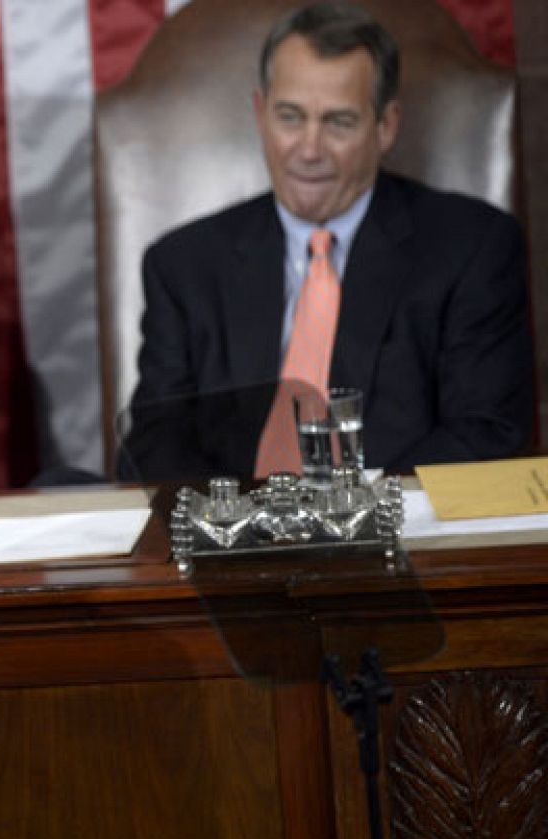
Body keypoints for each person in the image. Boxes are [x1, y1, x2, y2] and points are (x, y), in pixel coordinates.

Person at [122, 1, 531, 481]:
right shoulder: (183, 265)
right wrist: (235, 528)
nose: (309, 149)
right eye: (290, 117)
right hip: (232, 545)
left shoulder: (473, 248)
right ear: (260, 113)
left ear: (386, 127)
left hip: (397, 539)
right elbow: (154, 440)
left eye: (338, 122)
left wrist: (362, 520)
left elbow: (484, 434)